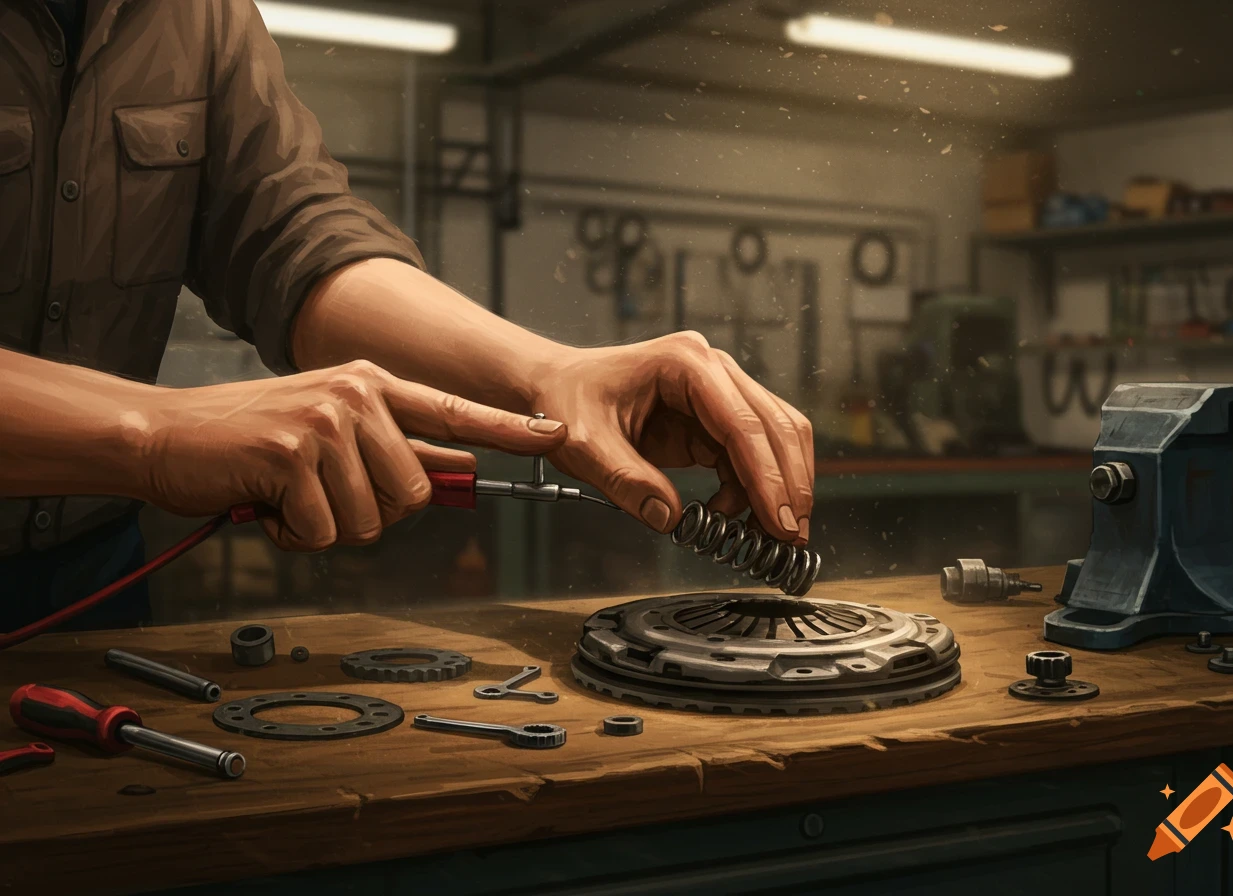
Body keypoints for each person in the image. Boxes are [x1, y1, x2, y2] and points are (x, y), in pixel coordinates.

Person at [0, 0, 814, 633]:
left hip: (92, 581)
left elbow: (291, 238)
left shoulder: (197, 17)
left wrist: (546, 374)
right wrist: (153, 431)